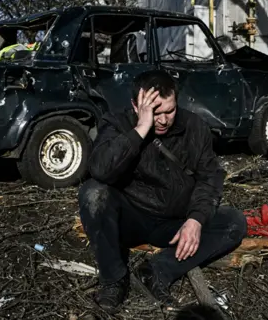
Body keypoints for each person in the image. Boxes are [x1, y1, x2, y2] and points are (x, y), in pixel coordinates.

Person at [77, 70, 247, 313]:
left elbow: (210, 177)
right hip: (130, 220)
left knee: (234, 223)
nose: (164, 120)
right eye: (155, 112)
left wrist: (196, 219)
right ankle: (114, 280)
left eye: (170, 111)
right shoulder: (117, 123)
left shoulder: (193, 126)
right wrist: (141, 129)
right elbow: (100, 170)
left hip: (175, 223)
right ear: (136, 106)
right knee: (93, 194)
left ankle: (157, 270)